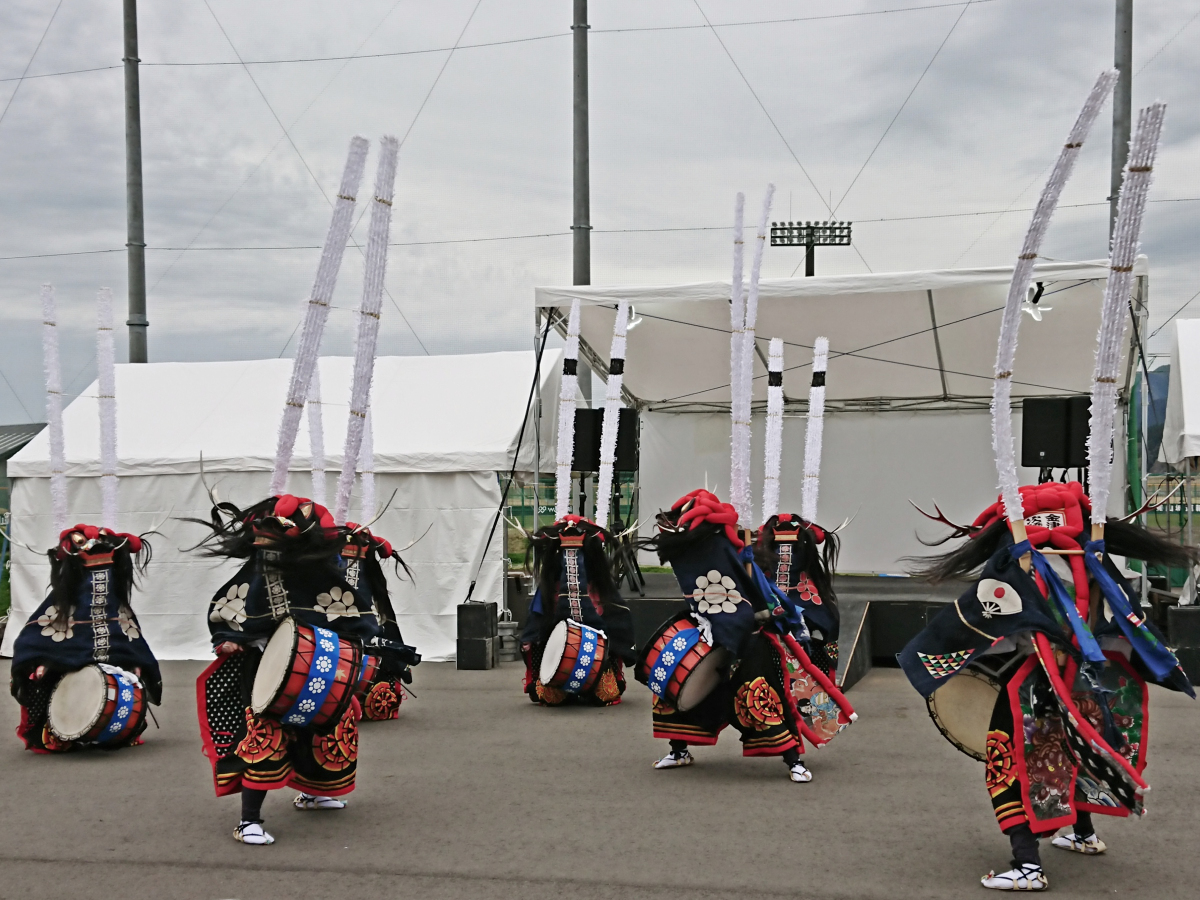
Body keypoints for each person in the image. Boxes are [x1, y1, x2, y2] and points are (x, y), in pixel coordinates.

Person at [901, 481, 1196, 891]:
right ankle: (1083, 833)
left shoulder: (1018, 563)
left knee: (1011, 766)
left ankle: (1028, 865)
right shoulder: (1094, 560)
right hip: (1088, 681)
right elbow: (1120, 624)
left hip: (1035, 684)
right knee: (1076, 751)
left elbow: (994, 631)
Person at [191, 494, 413, 844]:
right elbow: (230, 606)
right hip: (263, 667)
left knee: (326, 727)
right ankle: (248, 821)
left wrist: (364, 641)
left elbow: (347, 609)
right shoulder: (258, 569)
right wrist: (228, 639)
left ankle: (312, 792)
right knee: (266, 735)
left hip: (316, 663)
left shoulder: (318, 572)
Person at [636, 490, 855, 782]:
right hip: (707, 629)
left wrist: (780, 614)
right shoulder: (692, 548)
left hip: (749, 633)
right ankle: (679, 750)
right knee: (674, 686)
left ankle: (793, 760)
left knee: (763, 694)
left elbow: (759, 590)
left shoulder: (726, 546)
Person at [11, 524, 161, 752]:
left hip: (112, 661)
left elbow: (128, 637)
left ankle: (122, 728)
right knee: (43, 676)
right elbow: (36, 637)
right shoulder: (63, 602)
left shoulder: (115, 603)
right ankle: (55, 729)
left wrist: (135, 663)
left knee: (132, 670)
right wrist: (43, 660)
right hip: (67, 661)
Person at [520, 516, 636, 706]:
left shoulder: (602, 589)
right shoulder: (548, 591)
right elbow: (534, 632)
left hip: (598, 660)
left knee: (604, 694)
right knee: (552, 696)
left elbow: (620, 627)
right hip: (557, 665)